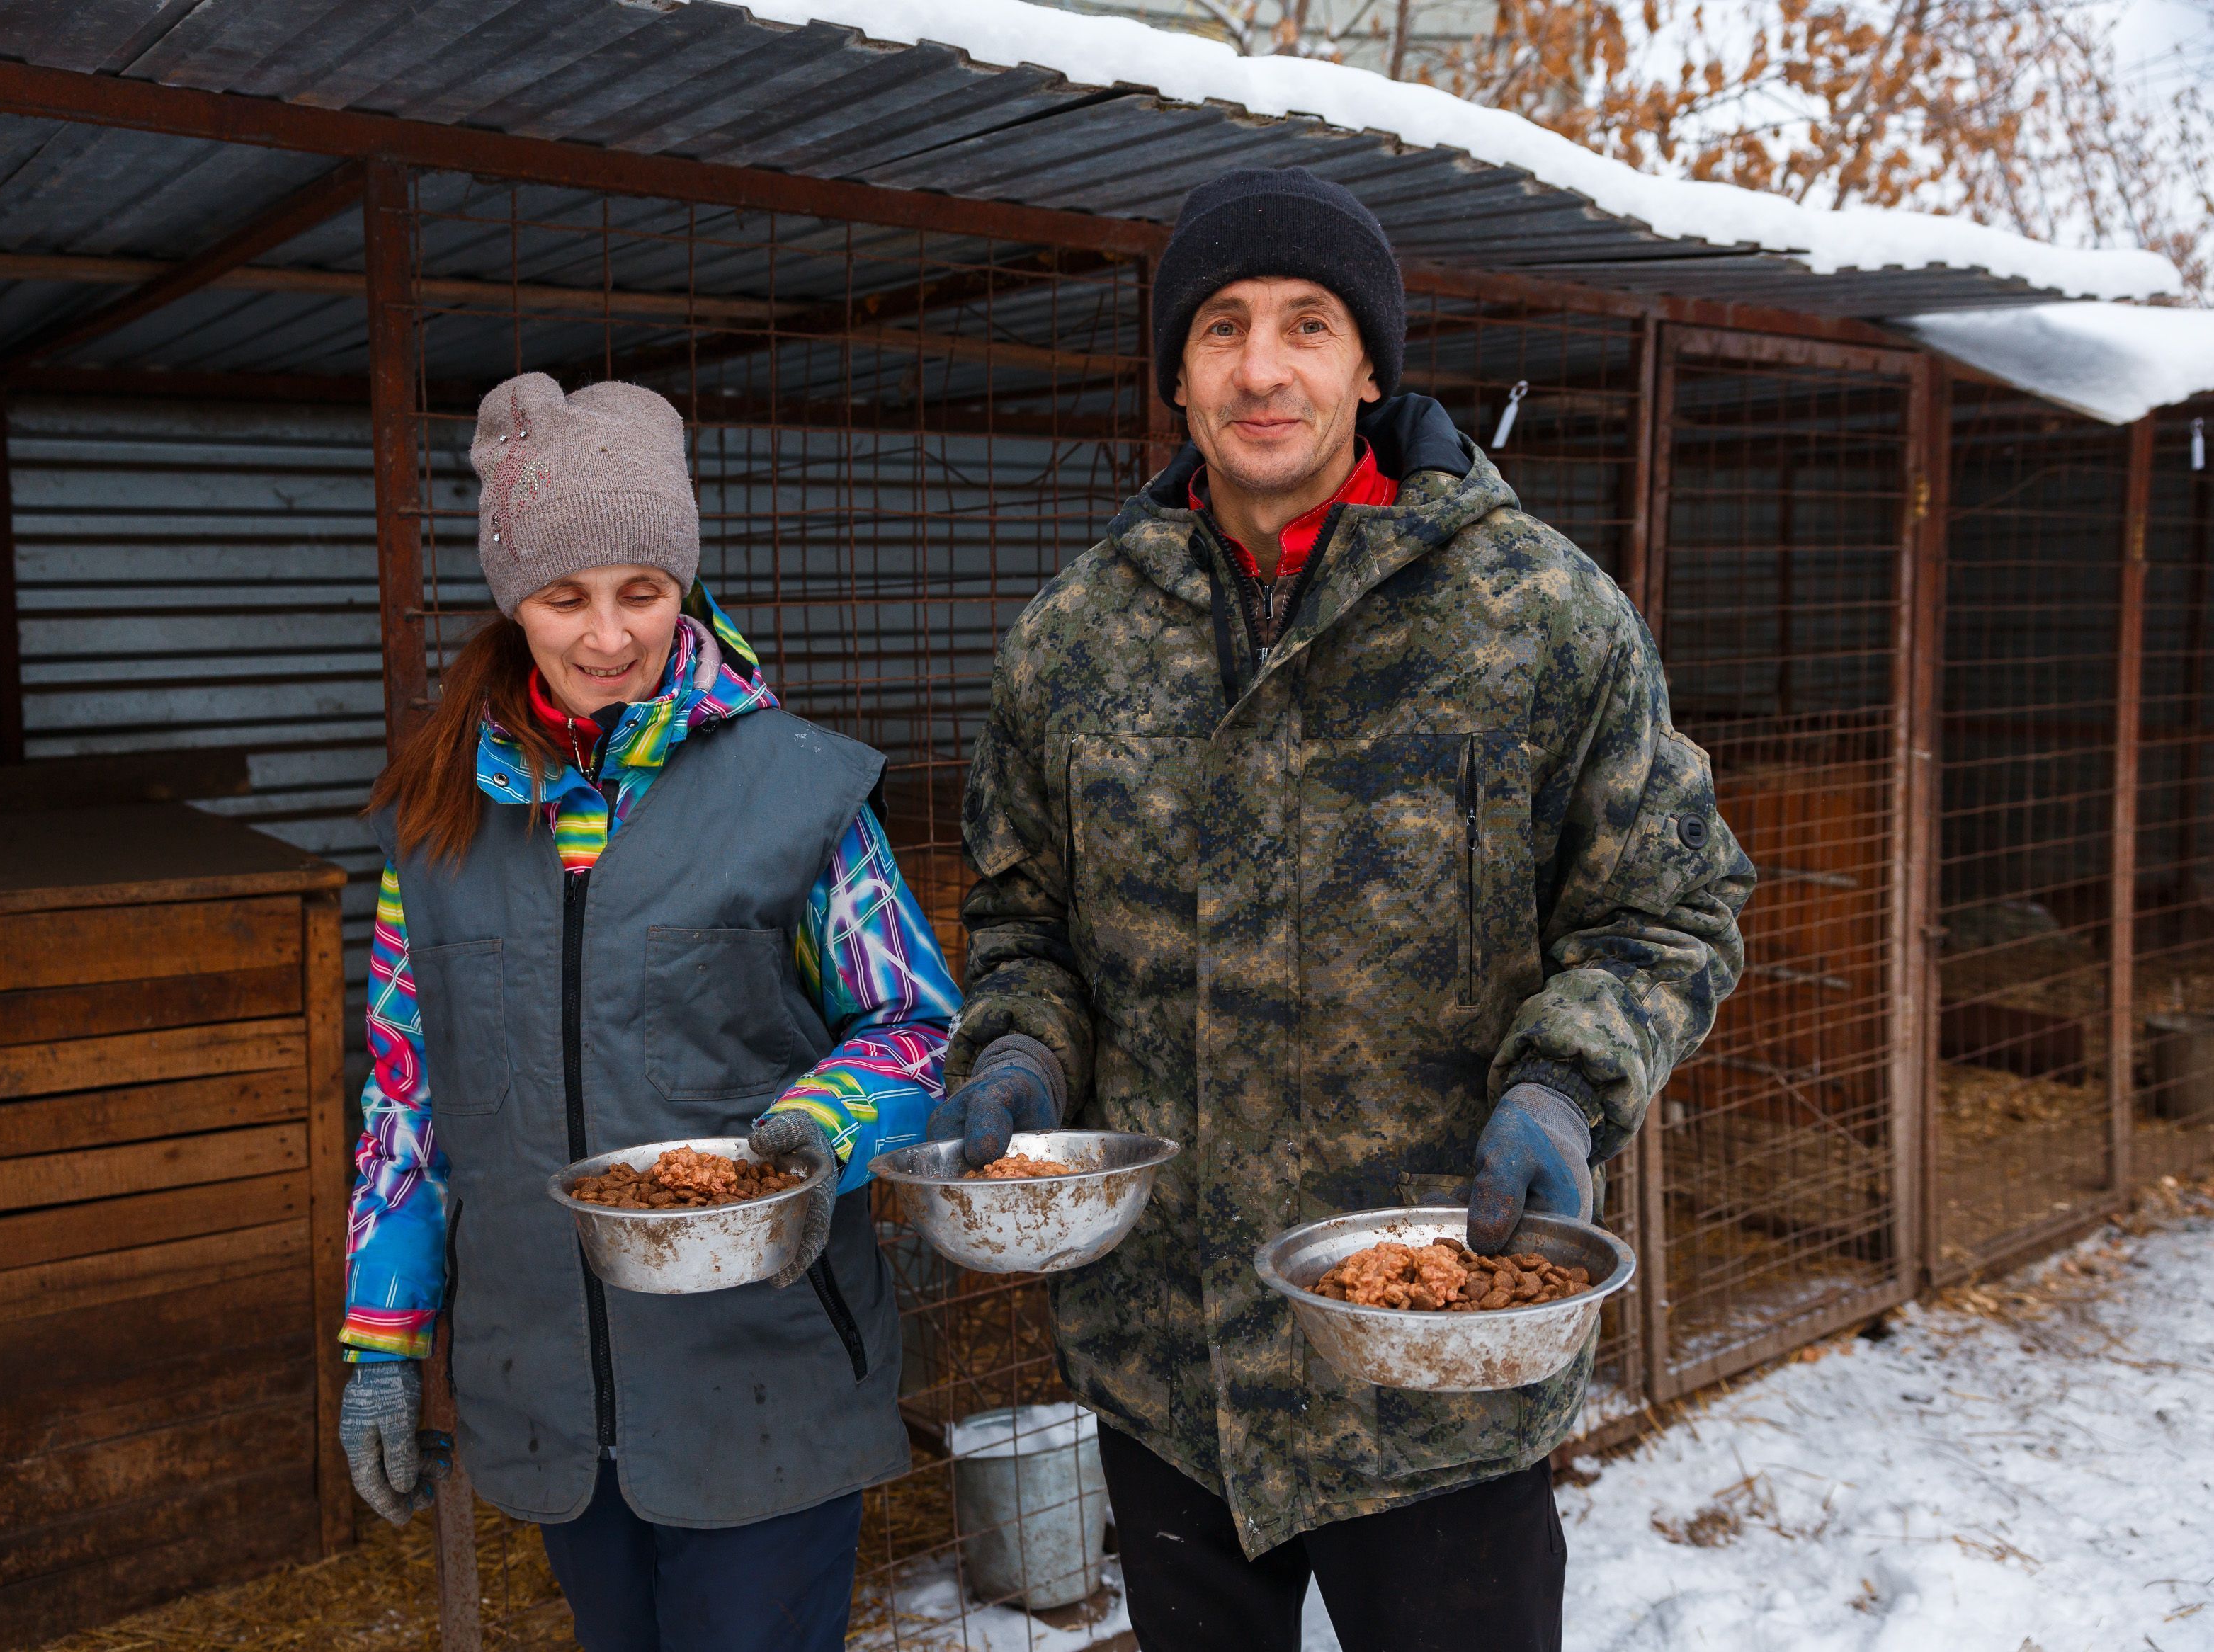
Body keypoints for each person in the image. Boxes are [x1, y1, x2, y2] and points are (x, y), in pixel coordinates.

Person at [933, 168, 1754, 1651]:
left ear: (1370, 366)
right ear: (1177, 375)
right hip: (1171, 1363)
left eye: (1308, 325)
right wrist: (1021, 1052)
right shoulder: (1074, 640)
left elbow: (1668, 906)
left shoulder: (1535, 615)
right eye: (1223, 328)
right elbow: (1023, 920)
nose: (1263, 368)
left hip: (1441, 1352)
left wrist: (1564, 1088)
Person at [334, 373, 960, 1652]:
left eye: (645, 589)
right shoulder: (436, 825)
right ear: (513, 598)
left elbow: (917, 1022)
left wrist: (821, 1127)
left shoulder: (794, 789)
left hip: (764, 1377)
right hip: (551, 1393)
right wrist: (384, 1335)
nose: (610, 635)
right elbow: (407, 1100)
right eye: (566, 597)